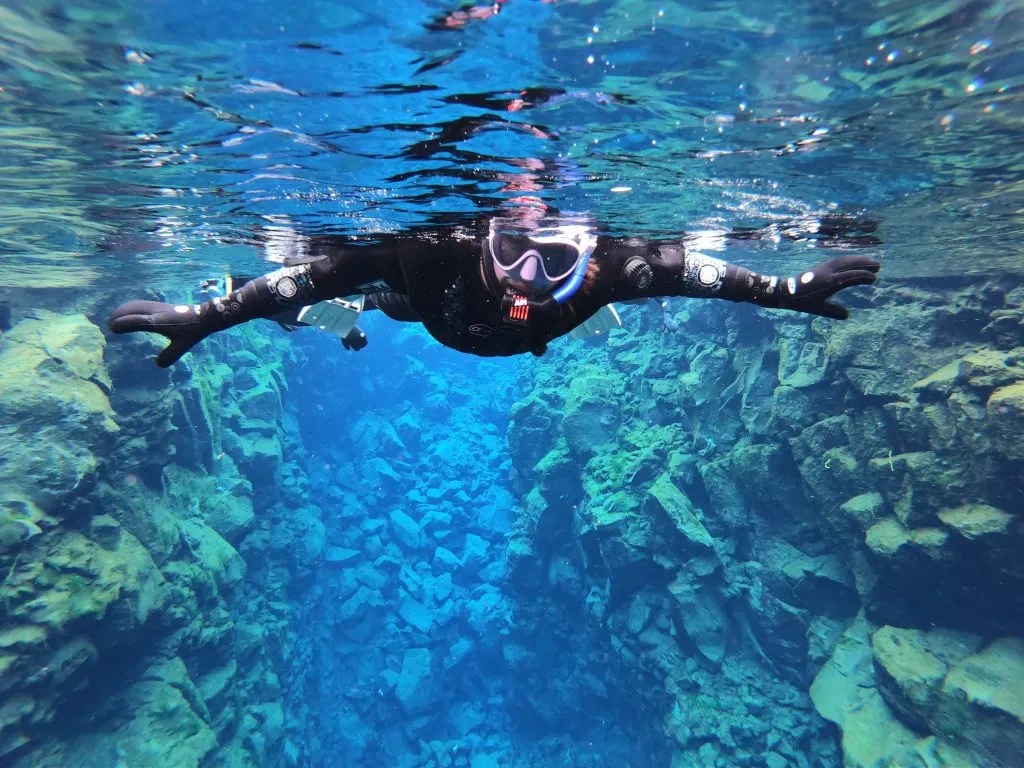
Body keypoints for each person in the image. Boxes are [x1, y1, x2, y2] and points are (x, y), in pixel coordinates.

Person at [108, 215, 880, 367]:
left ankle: (344, 318)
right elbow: (302, 270)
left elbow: (702, 277)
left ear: (588, 254)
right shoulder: (422, 249)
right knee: (369, 297)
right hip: (426, 306)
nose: (531, 276)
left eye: (556, 259)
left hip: (459, 326)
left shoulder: (611, 268)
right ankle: (337, 322)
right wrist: (205, 318)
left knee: (377, 299)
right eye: (516, 248)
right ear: (485, 238)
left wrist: (786, 289)